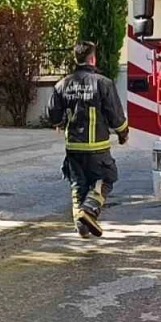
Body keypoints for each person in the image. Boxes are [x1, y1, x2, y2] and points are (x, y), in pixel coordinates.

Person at [46, 41, 129, 238]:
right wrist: (123, 133)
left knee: (78, 185)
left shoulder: (62, 84)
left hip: (73, 148)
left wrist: (59, 122)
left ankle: (82, 228)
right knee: (106, 178)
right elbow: (116, 115)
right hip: (97, 148)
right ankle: (89, 209)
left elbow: (53, 115)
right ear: (93, 59)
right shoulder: (103, 83)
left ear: (76, 58)